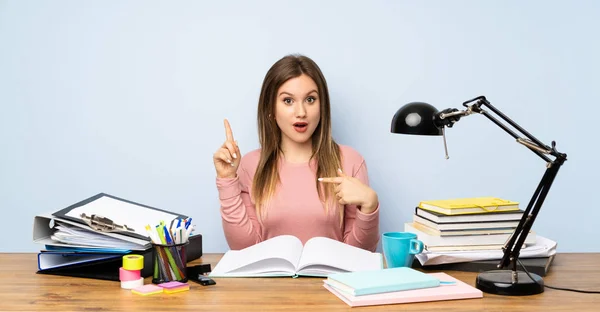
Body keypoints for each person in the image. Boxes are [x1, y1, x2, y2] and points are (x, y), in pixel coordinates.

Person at [213, 54, 380, 252]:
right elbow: (243, 249)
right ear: (271, 110)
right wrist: (226, 180)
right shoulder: (250, 165)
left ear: (322, 106)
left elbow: (359, 254)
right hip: (269, 282)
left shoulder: (350, 161)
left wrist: (369, 205)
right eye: (288, 101)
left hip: (331, 281)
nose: (301, 112)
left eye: (310, 99)